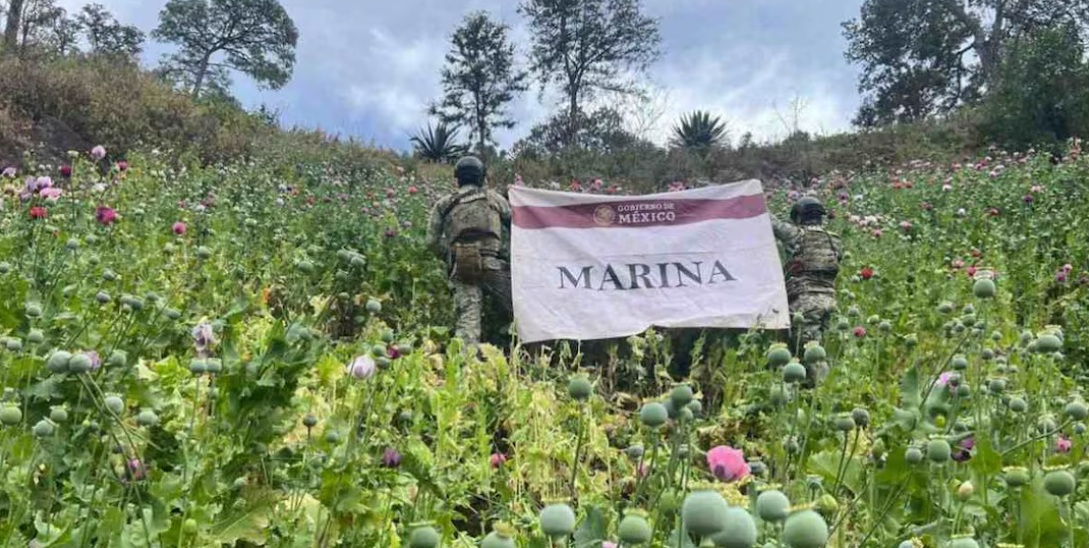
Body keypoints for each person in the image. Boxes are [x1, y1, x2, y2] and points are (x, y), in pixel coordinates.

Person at [426, 156, 513, 347]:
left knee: (468, 320)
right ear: (482, 177)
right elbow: (516, 225)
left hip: (462, 265)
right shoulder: (494, 198)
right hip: (493, 264)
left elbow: (431, 242)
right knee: (518, 310)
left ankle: (464, 366)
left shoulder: (444, 204)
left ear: (458, 178)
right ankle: (526, 356)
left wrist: (451, 256)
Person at [772, 196, 843, 362]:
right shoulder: (834, 240)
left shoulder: (796, 235)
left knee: (811, 355)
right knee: (824, 351)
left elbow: (773, 223)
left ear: (798, 216)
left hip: (805, 303)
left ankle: (824, 387)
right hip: (830, 301)